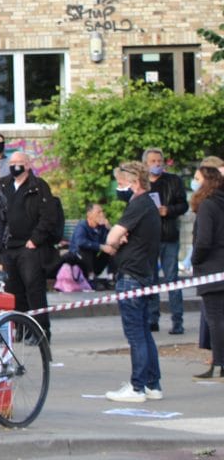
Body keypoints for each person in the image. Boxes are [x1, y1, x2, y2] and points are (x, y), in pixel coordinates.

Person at [102, 161, 163, 402]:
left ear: (135, 183)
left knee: (136, 334)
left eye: (121, 183)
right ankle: (152, 383)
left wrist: (116, 241)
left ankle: (137, 387)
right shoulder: (149, 206)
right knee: (145, 332)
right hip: (144, 273)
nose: (119, 188)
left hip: (132, 276)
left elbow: (111, 237)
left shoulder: (138, 205)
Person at [0, 151, 63, 340]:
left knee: (34, 289)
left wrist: (35, 239)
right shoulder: (3, 184)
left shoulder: (39, 186)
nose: (15, 166)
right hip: (9, 247)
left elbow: (48, 216)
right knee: (13, 290)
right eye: (12, 162)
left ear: (27, 165)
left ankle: (41, 331)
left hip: (29, 247)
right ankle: (22, 328)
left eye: (19, 162)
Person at [143, 148, 188, 334]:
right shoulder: (143, 184)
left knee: (172, 279)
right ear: (146, 164)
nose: (157, 164)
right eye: (153, 161)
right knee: (151, 279)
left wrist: (168, 210)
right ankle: (153, 319)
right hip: (150, 238)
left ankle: (177, 321)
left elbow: (183, 204)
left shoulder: (173, 181)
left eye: (159, 161)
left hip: (169, 236)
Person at [190, 164, 224, 379]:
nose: (194, 182)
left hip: (212, 268)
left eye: (197, 178)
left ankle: (219, 363)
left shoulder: (207, 206)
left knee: (215, 319)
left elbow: (203, 241)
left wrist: (194, 260)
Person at [69, 203, 113, 289]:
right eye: (98, 212)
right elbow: (80, 242)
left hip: (93, 263)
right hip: (79, 262)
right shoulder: (82, 225)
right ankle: (91, 279)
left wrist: (109, 227)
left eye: (102, 212)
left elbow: (111, 241)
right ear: (89, 215)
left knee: (112, 249)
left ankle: (111, 278)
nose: (102, 214)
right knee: (85, 248)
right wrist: (101, 247)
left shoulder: (102, 227)